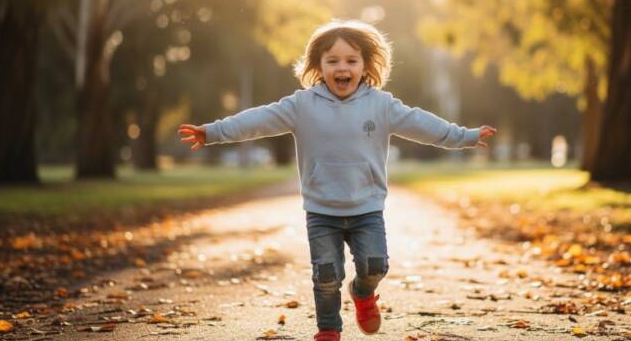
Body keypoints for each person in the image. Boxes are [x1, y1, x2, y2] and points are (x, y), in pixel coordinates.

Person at [178, 20, 496, 341]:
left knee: (375, 266)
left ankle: (362, 293)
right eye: (332, 61)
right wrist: (213, 132)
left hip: (367, 208)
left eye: (351, 60)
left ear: (365, 65)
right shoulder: (301, 105)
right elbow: (257, 120)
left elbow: (422, 124)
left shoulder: (381, 104)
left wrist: (464, 137)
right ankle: (328, 330)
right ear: (318, 66)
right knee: (326, 275)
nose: (342, 68)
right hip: (321, 210)